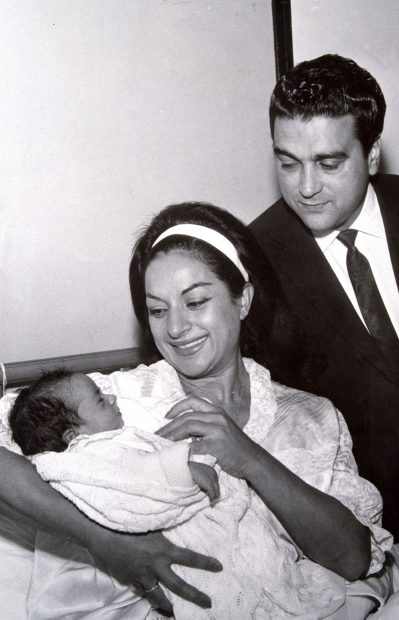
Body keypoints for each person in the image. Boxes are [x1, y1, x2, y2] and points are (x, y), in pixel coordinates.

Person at [0, 201, 392, 618]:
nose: (174, 328)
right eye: (157, 309)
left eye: (195, 301)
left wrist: (250, 458)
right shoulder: (110, 402)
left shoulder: (311, 419)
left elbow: (354, 560)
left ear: (242, 301)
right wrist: (109, 544)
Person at [249, 53, 399, 540]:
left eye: (329, 163)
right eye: (288, 163)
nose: (306, 188)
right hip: (370, 528)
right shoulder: (255, 265)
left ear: (372, 154)